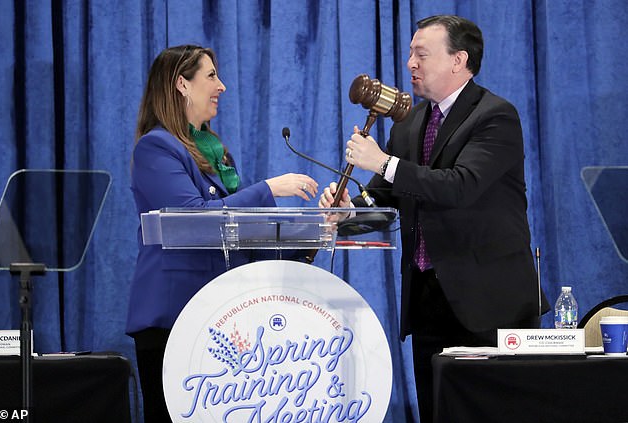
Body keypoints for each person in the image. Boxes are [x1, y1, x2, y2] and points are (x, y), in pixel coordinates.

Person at [319, 15, 549, 423]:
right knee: (436, 411)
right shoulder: (409, 126)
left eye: (421, 54)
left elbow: (460, 186)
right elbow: (384, 197)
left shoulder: (495, 116)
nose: (410, 63)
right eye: (410, 53)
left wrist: (383, 162)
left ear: (459, 60)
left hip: (489, 303)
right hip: (427, 300)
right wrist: (349, 210)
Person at [126, 45, 318, 422]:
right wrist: (269, 188)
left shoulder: (215, 153)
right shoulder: (156, 147)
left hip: (221, 318)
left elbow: (240, 234)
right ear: (181, 83)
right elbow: (193, 221)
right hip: (173, 318)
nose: (223, 86)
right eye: (211, 75)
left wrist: (314, 230)